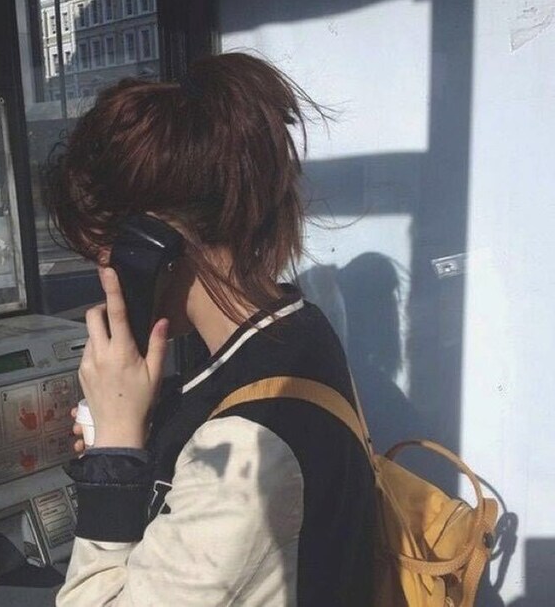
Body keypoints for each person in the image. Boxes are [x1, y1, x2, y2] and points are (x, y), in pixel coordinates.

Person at [47, 52, 376, 606]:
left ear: (146, 249)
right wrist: (136, 424)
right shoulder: (297, 329)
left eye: (100, 253)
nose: (102, 274)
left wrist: (115, 457)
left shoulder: (246, 447)